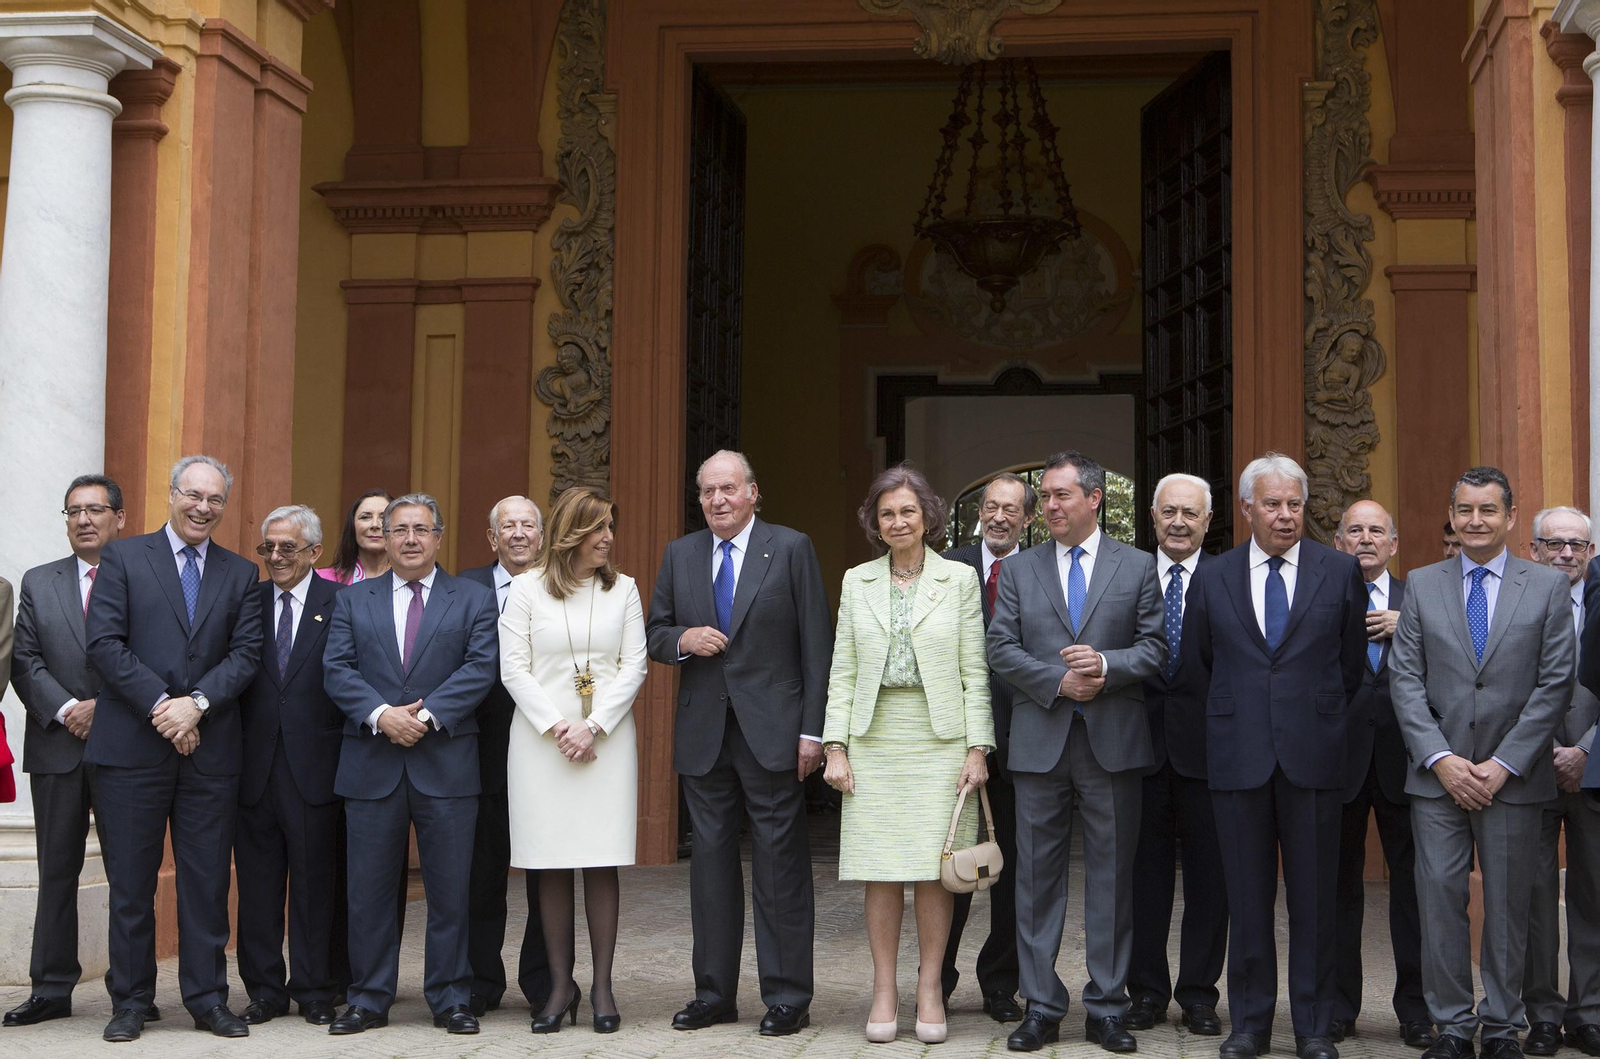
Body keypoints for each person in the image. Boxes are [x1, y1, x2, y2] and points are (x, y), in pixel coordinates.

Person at [1178, 452, 1367, 1059]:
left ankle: (1313, 1027)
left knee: (1315, 900)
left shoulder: (1339, 571)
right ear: (1246, 508)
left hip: (1313, 757)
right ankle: (1251, 1025)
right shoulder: (1214, 575)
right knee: (1247, 897)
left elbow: (1349, 665)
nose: (1285, 516)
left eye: (1294, 504)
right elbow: (1200, 665)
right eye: (1272, 504)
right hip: (1238, 759)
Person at [645, 449, 832, 1037]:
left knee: (780, 868)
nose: (718, 500)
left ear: (754, 492)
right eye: (707, 492)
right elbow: (652, 633)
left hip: (774, 734)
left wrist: (813, 730)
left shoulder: (791, 546)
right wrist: (684, 638)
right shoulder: (681, 554)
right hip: (705, 735)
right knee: (710, 868)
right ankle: (713, 994)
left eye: (728, 489)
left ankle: (786, 996)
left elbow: (815, 646)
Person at [1390, 466, 1574, 1059]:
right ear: (1453, 515)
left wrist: (1503, 764)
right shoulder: (1421, 583)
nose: (1475, 521)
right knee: (1439, 899)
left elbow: (1555, 685)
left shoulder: (1544, 587)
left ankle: (1501, 1026)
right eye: (1465, 511)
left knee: (1508, 904)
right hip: (1437, 779)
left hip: (1513, 781)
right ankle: (1450, 1026)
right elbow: (1406, 681)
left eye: (1488, 511)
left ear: (1511, 518)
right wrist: (1441, 759)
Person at [988, 450, 1167, 1054]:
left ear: (1095, 498)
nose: (1050, 506)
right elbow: (1000, 649)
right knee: (1035, 880)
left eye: (1063, 495)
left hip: (1112, 743)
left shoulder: (1138, 566)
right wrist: (1055, 680)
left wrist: (1108, 666)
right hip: (1039, 742)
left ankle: (1108, 1007)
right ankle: (1040, 1006)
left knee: (1113, 881)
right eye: (1047, 496)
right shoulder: (1018, 570)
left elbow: (1155, 649)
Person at [84, 455, 265, 1043]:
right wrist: (166, 705)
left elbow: (245, 656)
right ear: (171, 495)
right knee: (132, 885)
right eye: (193, 496)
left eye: (215, 500)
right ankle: (132, 1002)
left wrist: (199, 704)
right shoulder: (124, 556)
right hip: (131, 749)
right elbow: (105, 644)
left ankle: (209, 1000)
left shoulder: (240, 574)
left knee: (207, 883)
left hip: (209, 753)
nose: (203, 508)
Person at [821, 464, 994, 1044]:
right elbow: (841, 670)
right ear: (875, 521)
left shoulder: (960, 581)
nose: (898, 521)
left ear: (928, 518)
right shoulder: (855, 580)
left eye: (908, 512)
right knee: (879, 868)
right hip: (873, 740)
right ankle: (883, 991)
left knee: (933, 872)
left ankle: (927, 990)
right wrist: (836, 748)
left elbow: (975, 669)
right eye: (887, 513)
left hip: (941, 738)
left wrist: (978, 747)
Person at [322, 493, 499, 1037]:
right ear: (385, 537)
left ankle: (450, 998)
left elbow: (481, 666)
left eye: (421, 529)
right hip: (372, 762)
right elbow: (336, 668)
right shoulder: (355, 599)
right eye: (399, 529)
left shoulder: (470, 598)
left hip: (446, 762)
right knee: (369, 891)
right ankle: (369, 997)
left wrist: (429, 716)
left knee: (451, 891)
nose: (410, 539)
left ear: (439, 537)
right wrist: (381, 715)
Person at [500, 487, 648, 1034]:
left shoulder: (624, 590)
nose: (608, 538)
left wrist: (594, 726)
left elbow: (632, 667)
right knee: (550, 861)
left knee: (600, 858)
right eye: (598, 528)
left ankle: (604, 986)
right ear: (570, 533)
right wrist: (561, 726)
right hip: (543, 744)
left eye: (611, 527)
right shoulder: (525, 590)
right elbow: (513, 669)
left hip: (605, 742)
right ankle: (560, 986)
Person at [5, 475, 123, 1028]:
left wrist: (102, 708)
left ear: (118, 518)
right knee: (56, 869)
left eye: (95, 510)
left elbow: (153, 655)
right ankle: (50, 987)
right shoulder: (38, 580)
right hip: (56, 742)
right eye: (73, 511)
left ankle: (131, 990)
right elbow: (23, 659)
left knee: (129, 870)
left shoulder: (140, 576)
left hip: (126, 743)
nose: (83, 520)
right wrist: (68, 708)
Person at [233, 505, 345, 1026]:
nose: (275, 557)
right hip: (252, 766)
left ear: (315, 553)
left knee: (314, 886)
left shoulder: (340, 602)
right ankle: (263, 991)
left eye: (287, 548)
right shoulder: (245, 601)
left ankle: (316, 988)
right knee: (257, 887)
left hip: (315, 767)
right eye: (268, 548)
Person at [1127, 473, 1228, 1038]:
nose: (1179, 523)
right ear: (1153, 516)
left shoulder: (1228, 578)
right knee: (1144, 880)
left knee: (1211, 881)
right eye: (1169, 512)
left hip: (1211, 755)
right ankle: (1145, 992)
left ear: (1207, 521)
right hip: (1139, 750)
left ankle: (1199, 995)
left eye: (1191, 513)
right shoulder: (1129, 575)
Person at [1330, 500, 1431, 1050]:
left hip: (1407, 761)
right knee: (1337, 890)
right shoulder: (1319, 593)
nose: (1365, 539)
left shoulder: (1421, 598)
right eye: (1355, 531)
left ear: (1394, 544)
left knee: (1413, 892)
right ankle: (1340, 1008)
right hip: (1336, 761)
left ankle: (1415, 1009)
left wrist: (1408, 628)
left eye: (1376, 531)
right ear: (1339, 541)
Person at [940, 472, 1033, 1023]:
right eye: (991, 507)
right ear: (979, 512)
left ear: (1028, 518)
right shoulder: (946, 566)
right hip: (955, 743)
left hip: (1022, 743)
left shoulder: (1039, 568)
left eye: (1011, 509)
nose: (999, 516)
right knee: (950, 862)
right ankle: (939, 981)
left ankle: (1002, 984)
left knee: (1013, 869)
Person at [458, 496, 551, 1017]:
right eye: (507, 526)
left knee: (547, 872)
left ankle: (544, 981)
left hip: (546, 749)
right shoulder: (461, 589)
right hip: (480, 750)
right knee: (481, 873)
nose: (518, 533)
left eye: (528, 525)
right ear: (491, 538)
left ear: (541, 536)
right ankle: (478, 981)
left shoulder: (563, 586)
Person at [1521, 507, 1600, 1057]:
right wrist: (1543, 749)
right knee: (1534, 898)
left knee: (1594, 897)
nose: (1567, 553)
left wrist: (1587, 750)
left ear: (1591, 553)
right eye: (1555, 544)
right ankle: (1544, 1015)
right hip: (1529, 770)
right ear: (1535, 549)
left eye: (1578, 545)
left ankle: (1589, 1014)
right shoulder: (1515, 602)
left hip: (1595, 771)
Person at [318, 489, 391, 585]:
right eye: (365, 517)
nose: (375, 525)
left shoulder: (411, 581)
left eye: (383, 518)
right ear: (352, 526)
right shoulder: (321, 580)